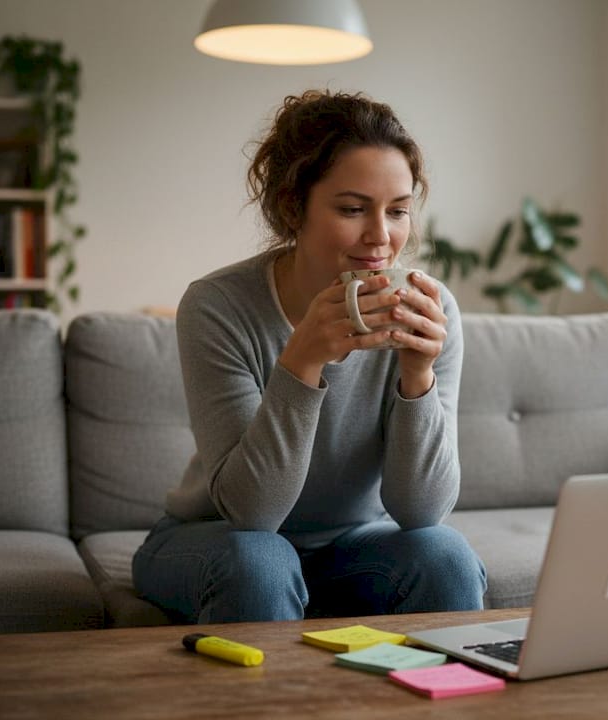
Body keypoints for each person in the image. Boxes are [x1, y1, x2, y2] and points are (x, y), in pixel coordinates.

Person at [132, 89, 487, 624]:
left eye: (397, 211)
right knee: (262, 563)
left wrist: (417, 376)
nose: (381, 237)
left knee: (446, 557)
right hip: (219, 540)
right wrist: (301, 363)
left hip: (352, 550)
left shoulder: (431, 311)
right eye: (352, 209)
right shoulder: (218, 306)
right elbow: (252, 513)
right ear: (292, 207)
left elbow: (421, 512)